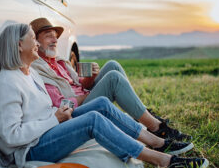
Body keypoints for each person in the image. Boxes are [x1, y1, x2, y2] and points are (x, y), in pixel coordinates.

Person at [0, 23, 209, 168]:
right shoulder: (5, 83)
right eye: (32, 39)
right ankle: (163, 160)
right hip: (29, 150)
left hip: (49, 129)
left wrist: (58, 116)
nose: (36, 43)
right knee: (93, 120)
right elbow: (10, 137)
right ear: (18, 45)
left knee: (102, 103)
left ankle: (158, 142)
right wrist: (54, 119)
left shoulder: (30, 74)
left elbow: (44, 110)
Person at [30, 18, 191, 141]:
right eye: (48, 36)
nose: (55, 40)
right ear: (36, 42)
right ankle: (156, 128)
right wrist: (86, 95)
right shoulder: (38, 70)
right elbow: (60, 106)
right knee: (113, 79)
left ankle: (142, 113)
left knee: (112, 65)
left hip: (86, 97)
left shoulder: (60, 62)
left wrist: (91, 77)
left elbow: (81, 85)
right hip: (76, 112)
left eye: (55, 36)